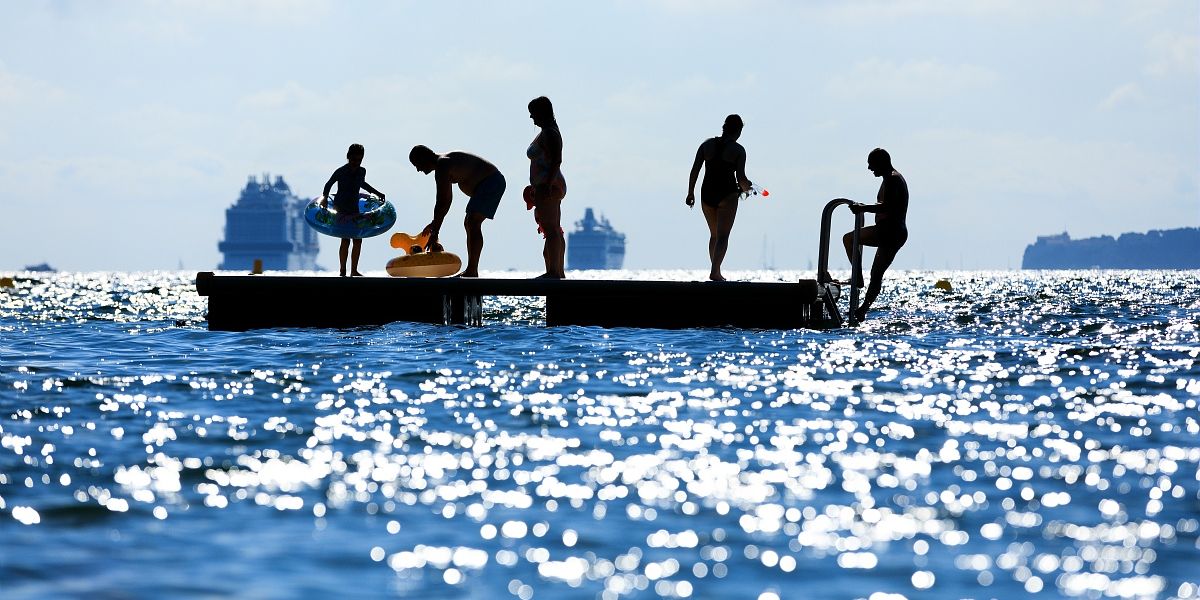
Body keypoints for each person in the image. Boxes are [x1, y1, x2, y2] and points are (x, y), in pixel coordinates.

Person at [409, 145, 505, 278]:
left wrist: (436, 230)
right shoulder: (443, 164)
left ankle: (472, 271)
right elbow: (446, 200)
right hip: (489, 183)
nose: (418, 169)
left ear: (424, 157)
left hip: (491, 181)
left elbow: (442, 202)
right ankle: (472, 270)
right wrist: (435, 224)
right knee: (469, 222)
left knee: (472, 222)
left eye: (417, 164)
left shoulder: (443, 164)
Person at [843, 147, 909, 321]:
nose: (869, 169)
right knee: (876, 274)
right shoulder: (889, 178)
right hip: (894, 232)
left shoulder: (893, 179)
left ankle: (857, 277)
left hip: (890, 231)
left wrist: (863, 208)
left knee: (849, 239)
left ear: (882, 163)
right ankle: (862, 310)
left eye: (871, 164)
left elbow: (888, 206)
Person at [686, 114, 753, 281]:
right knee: (723, 236)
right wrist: (748, 188)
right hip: (727, 194)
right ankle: (715, 271)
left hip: (706, 193)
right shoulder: (738, 150)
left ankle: (715, 270)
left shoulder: (706, 145)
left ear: (724, 127)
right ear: (738, 131)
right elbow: (742, 179)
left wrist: (690, 192)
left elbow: (695, 170)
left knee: (714, 235)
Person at [321, 143, 385, 277]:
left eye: (359, 160)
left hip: (354, 207)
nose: (356, 163)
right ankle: (342, 270)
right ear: (348, 157)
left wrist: (377, 193)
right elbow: (328, 184)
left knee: (358, 239)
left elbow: (362, 184)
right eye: (354, 159)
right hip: (341, 206)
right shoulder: (341, 171)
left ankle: (354, 270)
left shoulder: (362, 171)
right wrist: (325, 198)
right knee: (345, 239)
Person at [524, 96, 567, 279]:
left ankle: (554, 272)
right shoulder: (546, 131)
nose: (532, 118)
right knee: (553, 228)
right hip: (544, 184)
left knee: (550, 229)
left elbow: (556, 160)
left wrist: (547, 185)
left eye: (533, 114)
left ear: (542, 113)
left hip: (549, 185)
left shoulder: (550, 133)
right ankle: (557, 270)